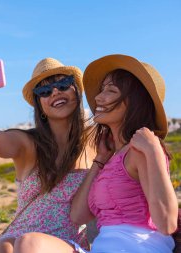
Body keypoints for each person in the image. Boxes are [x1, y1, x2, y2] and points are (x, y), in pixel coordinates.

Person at [19, 54, 178, 253]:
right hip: (103, 248)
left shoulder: (143, 149)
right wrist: (100, 161)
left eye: (110, 91)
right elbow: (77, 216)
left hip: (137, 247)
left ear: (134, 101)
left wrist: (154, 150)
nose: (98, 98)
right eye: (102, 89)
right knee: (30, 243)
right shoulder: (110, 158)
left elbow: (167, 223)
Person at [0, 58, 93, 253]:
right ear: (40, 106)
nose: (55, 91)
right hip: (17, 240)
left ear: (76, 90)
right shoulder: (28, 144)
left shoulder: (96, 140)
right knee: (3, 247)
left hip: (65, 243)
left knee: (27, 243)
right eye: (45, 91)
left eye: (62, 84)